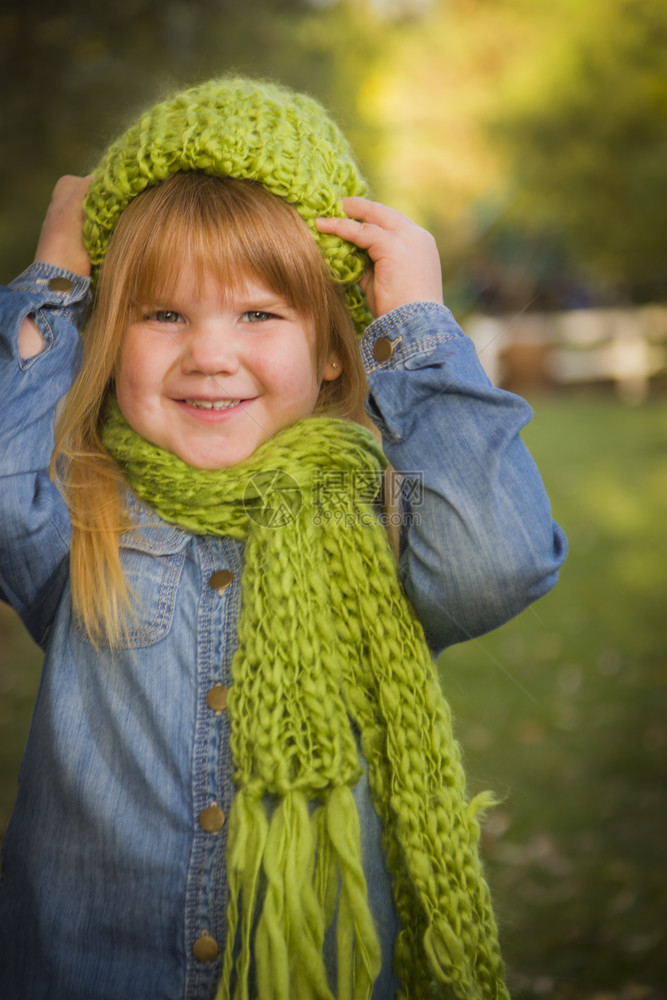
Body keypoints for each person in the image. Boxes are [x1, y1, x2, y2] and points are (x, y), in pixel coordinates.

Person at [0, 77, 566, 1000]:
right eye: (163, 313)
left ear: (335, 349)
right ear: (111, 332)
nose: (209, 353)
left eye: (259, 314)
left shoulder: (381, 518)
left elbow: (499, 559)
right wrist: (54, 279)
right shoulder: (81, 511)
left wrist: (414, 324)